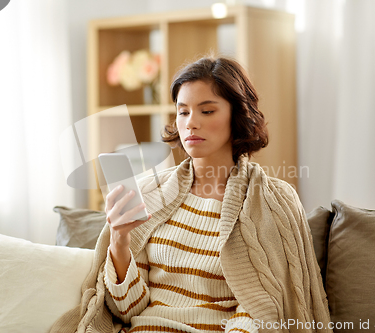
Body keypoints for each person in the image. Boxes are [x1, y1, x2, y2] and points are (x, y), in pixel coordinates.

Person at [50, 57, 332, 333]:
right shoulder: (152, 192)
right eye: (183, 111)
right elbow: (128, 310)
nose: (191, 123)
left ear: (237, 116)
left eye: (206, 111)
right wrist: (120, 242)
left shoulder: (271, 201)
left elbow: (262, 310)